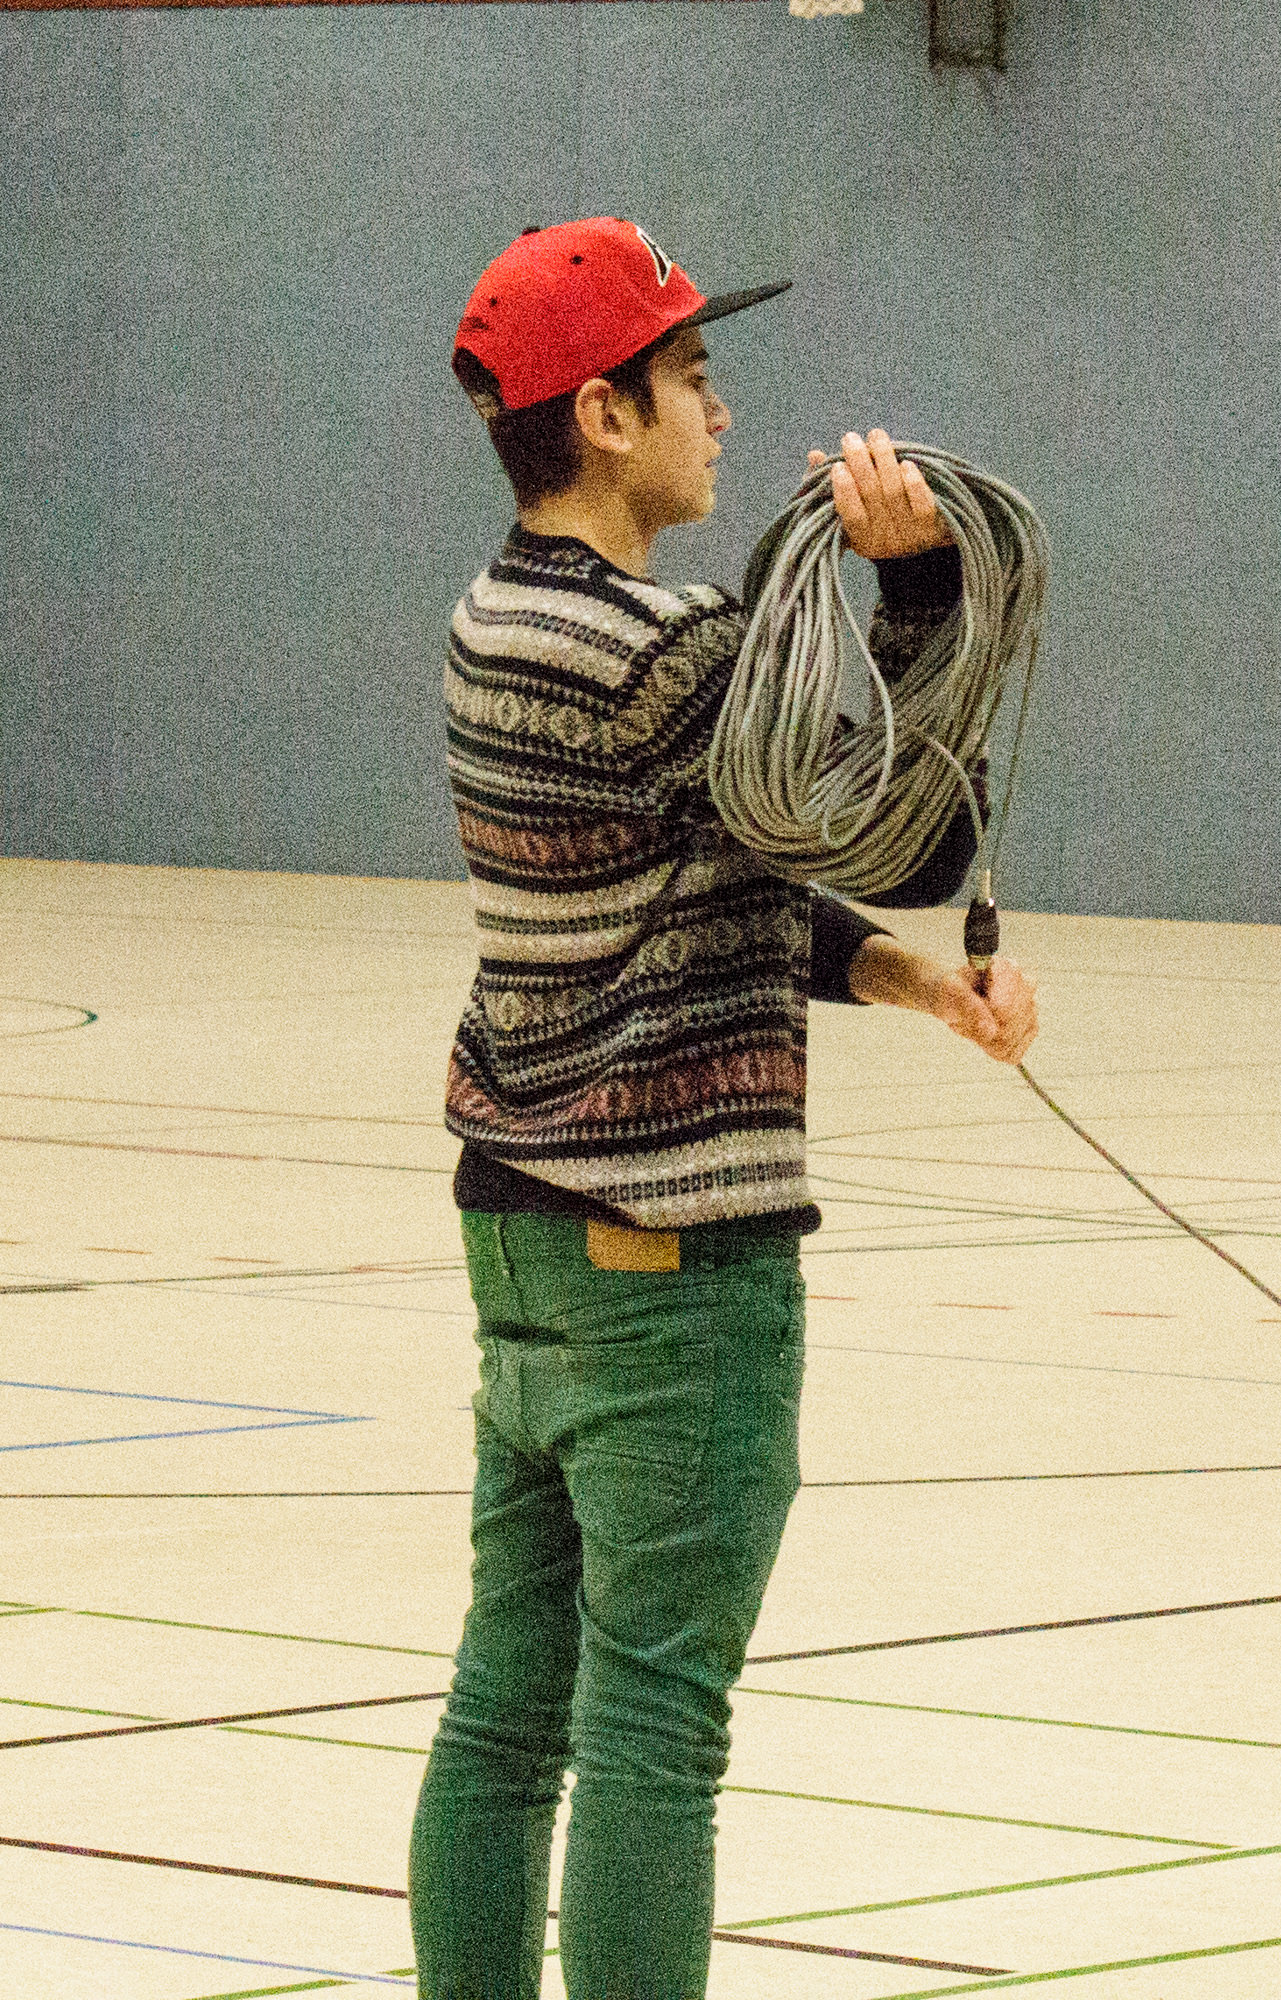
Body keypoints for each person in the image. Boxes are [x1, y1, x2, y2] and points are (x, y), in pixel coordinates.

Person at [412, 215, 1038, 1998]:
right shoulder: (667, 648)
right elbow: (904, 829)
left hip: (526, 1244)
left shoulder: (495, 621)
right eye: (689, 377)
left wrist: (911, 983)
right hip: (674, 1269)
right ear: (602, 417)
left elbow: (708, 873)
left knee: (506, 1710)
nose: (723, 408)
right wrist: (921, 596)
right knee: (654, 1724)